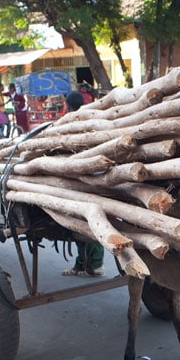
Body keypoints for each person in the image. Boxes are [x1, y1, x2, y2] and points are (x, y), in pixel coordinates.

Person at [61, 90, 106, 277]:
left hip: (83, 181)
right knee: (84, 225)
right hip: (95, 178)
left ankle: (93, 265)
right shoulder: (93, 120)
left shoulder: (71, 124)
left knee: (87, 225)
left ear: (69, 106)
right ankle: (83, 264)